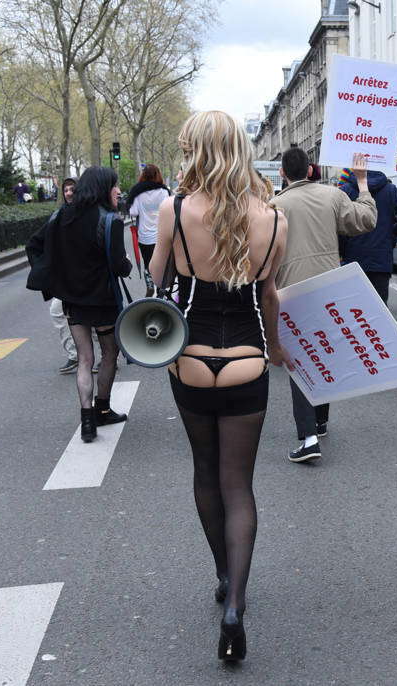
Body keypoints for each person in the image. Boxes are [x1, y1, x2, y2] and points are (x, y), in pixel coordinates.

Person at [147, 111, 290, 662]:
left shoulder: (175, 210)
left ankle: (220, 574)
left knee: (205, 474)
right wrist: (274, 348)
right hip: (247, 359)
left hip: (189, 356)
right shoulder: (273, 219)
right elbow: (270, 296)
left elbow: (158, 286)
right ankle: (236, 601)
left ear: (196, 152)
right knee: (240, 486)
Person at [271, 147, 376, 463]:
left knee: (300, 359)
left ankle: (309, 437)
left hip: (292, 290)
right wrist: (362, 182)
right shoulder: (332, 196)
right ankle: (321, 420)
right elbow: (366, 219)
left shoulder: (275, 205)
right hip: (330, 288)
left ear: (283, 174)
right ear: (310, 169)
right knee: (325, 352)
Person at [27, 167, 132, 441]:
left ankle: (87, 422)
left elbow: (34, 246)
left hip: (73, 300)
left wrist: (55, 277)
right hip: (104, 300)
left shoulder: (61, 216)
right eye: (114, 186)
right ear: (102, 188)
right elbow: (120, 267)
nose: (117, 191)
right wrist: (129, 263)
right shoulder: (110, 220)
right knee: (109, 355)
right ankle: (103, 409)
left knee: (85, 359)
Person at [339, 170, 397, 302]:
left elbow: (339, 224)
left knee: (356, 309)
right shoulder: (390, 189)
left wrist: (342, 249)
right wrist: (392, 232)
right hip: (381, 257)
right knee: (379, 308)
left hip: (353, 257)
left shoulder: (346, 190)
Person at [48, 178, 80, 374]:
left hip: (85, 277)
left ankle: (106, 356)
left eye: (72, 189)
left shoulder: (88, 214)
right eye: (65, 190)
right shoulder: (58, 215)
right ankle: (74, 355)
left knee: (90, 319)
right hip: (66, 278)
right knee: (57, 311)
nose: (68, 193)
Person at [127, 164, 171, 297]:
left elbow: (133, 212)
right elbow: (169, 210)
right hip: (161, 236)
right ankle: (161, 288)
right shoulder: (164, 192)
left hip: (144, 236)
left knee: (148, 263)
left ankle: (150, 285)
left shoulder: (137, 192)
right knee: (162, 263)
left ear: (143, 175)